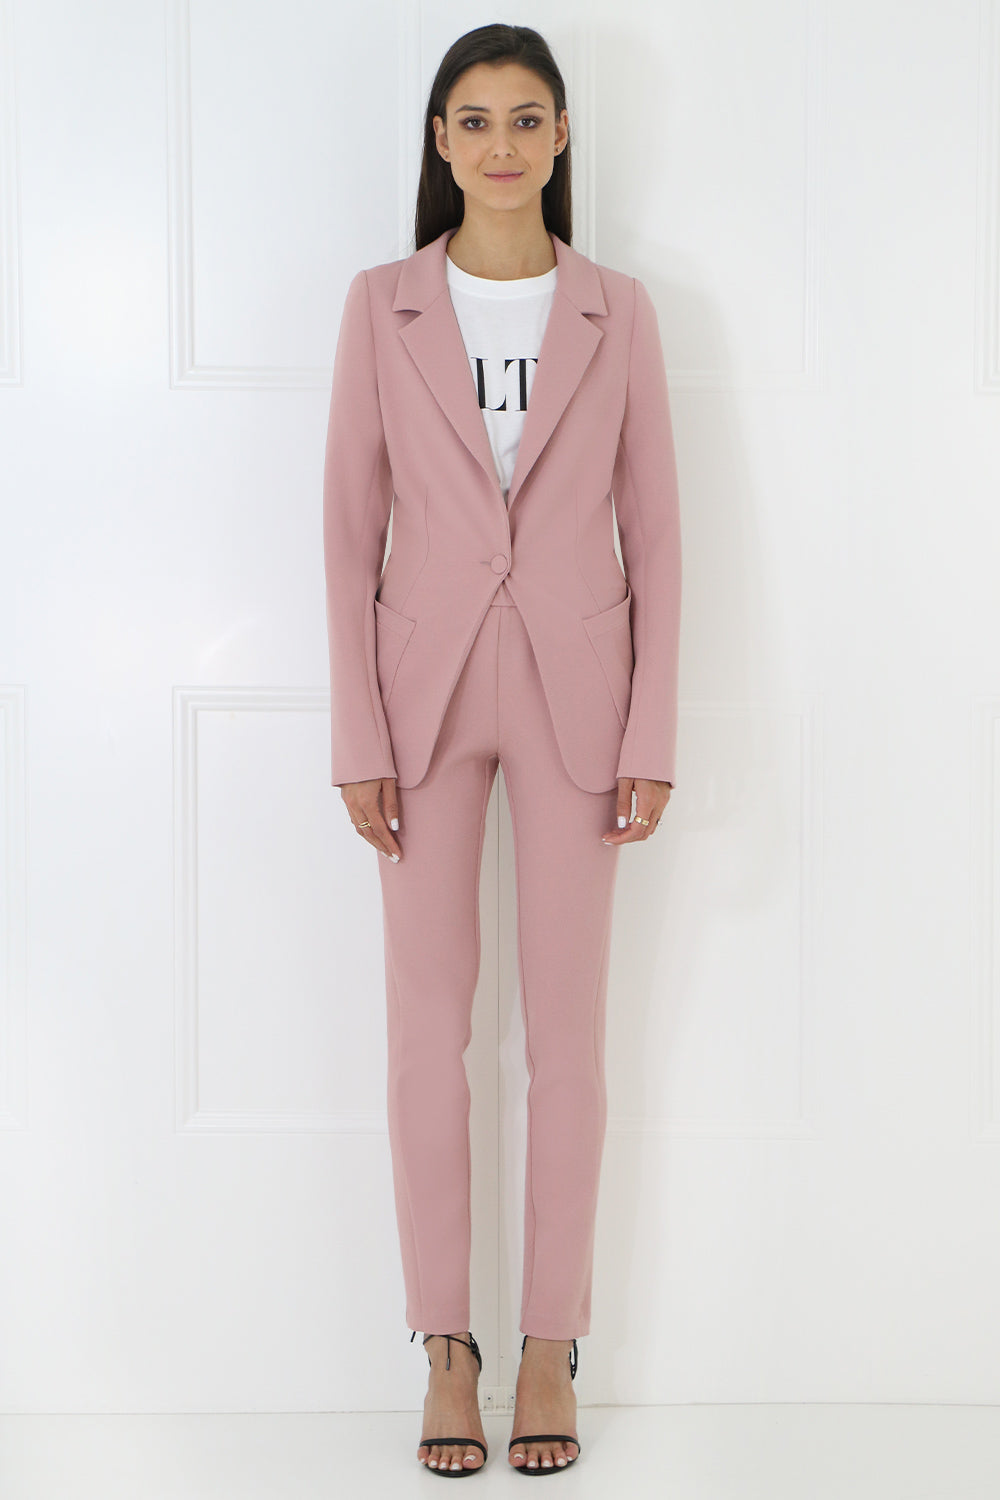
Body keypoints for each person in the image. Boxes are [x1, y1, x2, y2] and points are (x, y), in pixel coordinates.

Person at [322, 22, 681, 1478]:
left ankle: (549, 1344)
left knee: (567, 1038)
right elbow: (347, 532)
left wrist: (653, 723)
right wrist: (358, 731)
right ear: (440, 140)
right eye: (473, 120)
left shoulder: (618, 311)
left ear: (562, 134)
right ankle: (444, 1348)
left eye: (527, 118)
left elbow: (658, 532)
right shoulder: (383, 306)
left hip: (579, 700)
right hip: (422, 701)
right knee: (429, 1034)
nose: (502, 144)